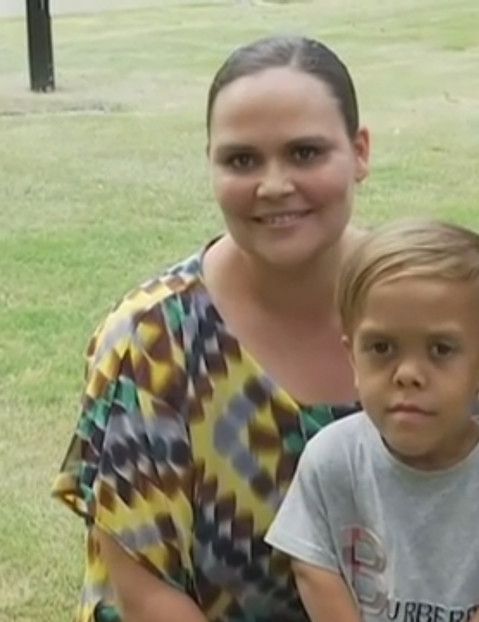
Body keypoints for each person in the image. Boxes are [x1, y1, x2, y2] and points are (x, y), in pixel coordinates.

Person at [50, 34, 370, 622]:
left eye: (304, 153)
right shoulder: (154, 342)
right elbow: (146, 596)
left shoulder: (435, 306)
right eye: (242, 160)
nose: (274, 185)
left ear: (360, 152)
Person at [264, 219, 479, 622]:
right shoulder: (333, 458)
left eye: (440, 349)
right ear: (352, 356)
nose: (407, 374)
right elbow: (313, 566)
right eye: (381, 347)